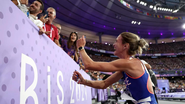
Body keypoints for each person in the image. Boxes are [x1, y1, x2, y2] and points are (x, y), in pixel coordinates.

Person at [72, 32, 157, 104]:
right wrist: (84, 81)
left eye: (116, 41)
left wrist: (80, 48)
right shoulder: (127, 65)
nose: (113, 44)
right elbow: (104, 84)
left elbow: (89, 65)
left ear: (125, 46)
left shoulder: (129, 63)